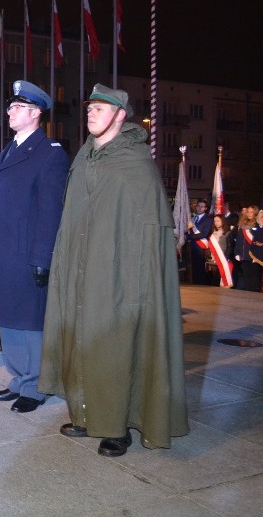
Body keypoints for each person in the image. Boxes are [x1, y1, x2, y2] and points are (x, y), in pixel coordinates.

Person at [39, 84, 188, 457]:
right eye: (90, 108)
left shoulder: (136, 164)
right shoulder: (84, 158)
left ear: (121, 115)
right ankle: (86, 415)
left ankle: (116, 427)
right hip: (81, 270)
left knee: (114, 346)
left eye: (102, 109)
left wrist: (132, 284)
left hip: (120, 275)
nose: (92, 113)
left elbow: (149, 234)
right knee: (81, 340)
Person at [0, 81, 69, 412]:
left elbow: (50, 211)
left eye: (17, 107)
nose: (9, 111)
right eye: (10, 106)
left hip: (26, 252)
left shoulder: (49, 153)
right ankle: (17, 379)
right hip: (2, 250)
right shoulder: (11, 148)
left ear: (36, 113)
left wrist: (43, 257)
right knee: (7, 319)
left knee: (29, 323)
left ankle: (36, 386)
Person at [234, 205, 262, 291]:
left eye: (251, 212)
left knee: (253, 277)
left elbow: (259, 242)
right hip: (244, 255)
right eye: (248, 212)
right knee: (244, 275)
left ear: (255, 213)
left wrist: (257, 256)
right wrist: (237, 253)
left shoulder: (258, 225)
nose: (249, 214)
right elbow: (239, 241)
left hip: (253, 256)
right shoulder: (243, 225)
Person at [186, 199, 213, 284]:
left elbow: (204, 234)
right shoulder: (193, 218)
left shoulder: (208, 220)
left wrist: (188, 236)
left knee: (199, 268)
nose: (199, 208)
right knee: (191, 267)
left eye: (202, 207)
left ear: (205, 208)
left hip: (200, 247)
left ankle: (200, 284)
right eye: (198, 206)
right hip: (190, 246)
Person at [205, 215, 234, 287]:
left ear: (223, 221)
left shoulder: (228, 233)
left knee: (220, 275)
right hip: (213, 258)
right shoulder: (212, 233)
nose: (216, 223)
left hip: (223, 257)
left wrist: (227, 256)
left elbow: (230, 246)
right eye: (215, 221)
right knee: (214, 276)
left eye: (218, 221)